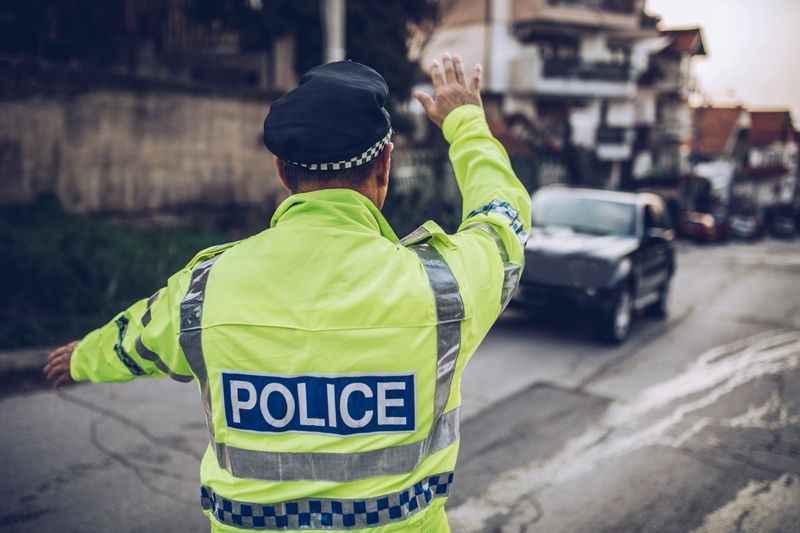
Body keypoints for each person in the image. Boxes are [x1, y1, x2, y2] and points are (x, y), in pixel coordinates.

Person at [44, 53, 530, 532]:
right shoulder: (445, 287)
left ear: (282, 172)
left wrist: (81, 358)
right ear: (385, 165)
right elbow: (503, 219)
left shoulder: (205, 288)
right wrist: (465, 121)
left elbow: (138, 339)